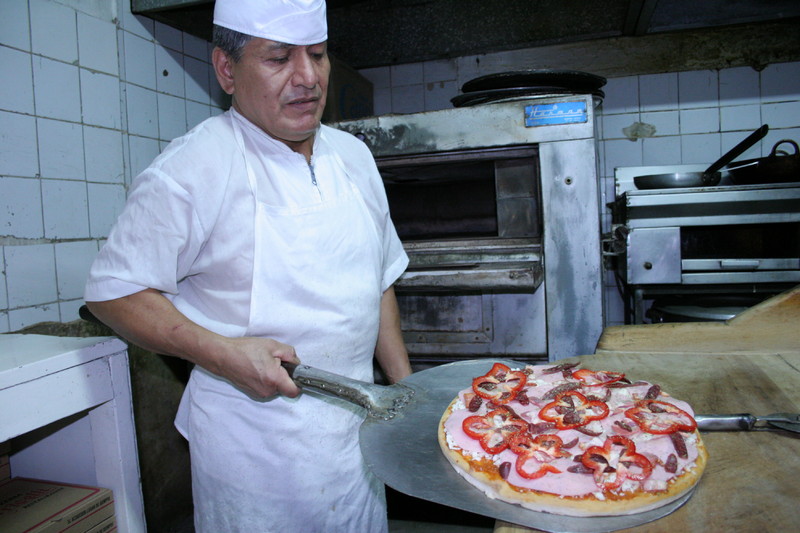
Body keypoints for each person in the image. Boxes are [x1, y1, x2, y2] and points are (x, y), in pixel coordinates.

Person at [84, 0, 412, 530]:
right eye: (279, 59)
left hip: (355, 442)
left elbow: (379, 280)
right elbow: (112, 292)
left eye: (319, 55)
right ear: (225, 70)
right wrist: (222, 354)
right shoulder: (191, 169)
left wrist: (403, 396)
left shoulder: (353, 158)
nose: (308, 78)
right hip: (255, 459)